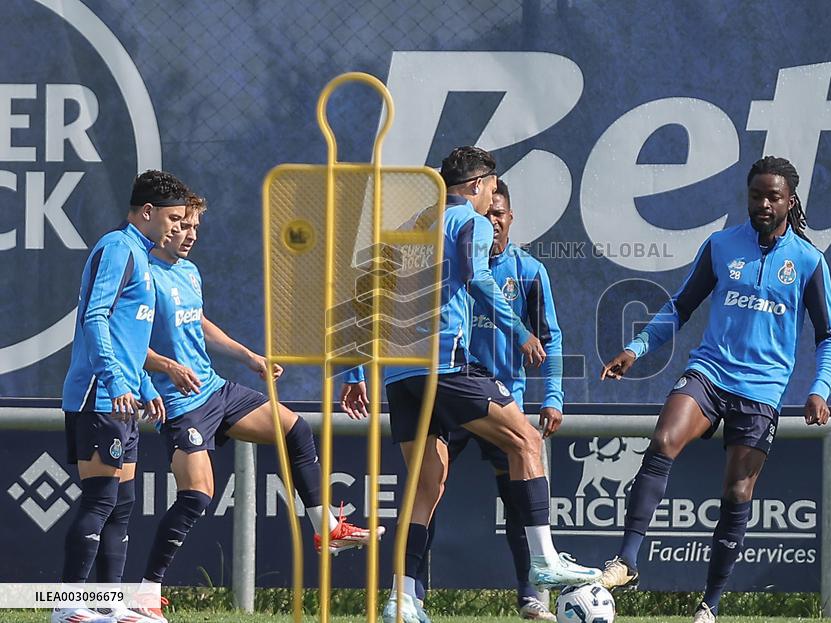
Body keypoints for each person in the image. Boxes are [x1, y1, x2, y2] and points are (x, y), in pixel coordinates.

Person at [340, 146, 599, 623]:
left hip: (400, 376)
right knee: (526, 439)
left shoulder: (413, 223)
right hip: (448, 367)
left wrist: (352, 370)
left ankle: (401, 598)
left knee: (426, 485)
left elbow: (366, 292)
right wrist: (518, 330)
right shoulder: (470, 221)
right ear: (479, 186)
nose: (490, 202)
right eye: (490, 190)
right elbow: (477, 276)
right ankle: (544, 560)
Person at [598, 156, 831, 623]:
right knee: (664, 440)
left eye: (773, 196)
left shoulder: (809, 262)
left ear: (791, 201)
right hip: (710, 372)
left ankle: (709, 603)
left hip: (762, 390)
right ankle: (626, 560)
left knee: (736, 491)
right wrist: (635, 348)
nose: (763, 204)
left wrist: (819, 389)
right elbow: (680, 306)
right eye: (756, 195)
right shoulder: (722, 245)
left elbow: (828, 335)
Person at [131, 195, 381, 623]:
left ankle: (327, 530)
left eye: (195, 228)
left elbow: (199, 322)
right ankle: (145, 592)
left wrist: (250, 358)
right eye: (182, 225)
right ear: (163, 224)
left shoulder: (189, 271)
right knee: (196, 497)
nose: (190, 235)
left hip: (216, 390)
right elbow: (129, 340)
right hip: (180, 403)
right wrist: (167, 368)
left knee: (295, 429)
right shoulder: (141, 271)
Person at [416, 179, 565, 620]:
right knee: (428, 489)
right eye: (486, 214)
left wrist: (553, 395)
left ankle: (532, 595)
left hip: (502, 399)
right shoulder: (452, 266)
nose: (491, 221)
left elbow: (550, 337)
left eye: (499, 214)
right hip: (450, 392)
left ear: (511, 218)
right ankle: (412, 594)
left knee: (518, 500)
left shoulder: (531, 272)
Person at [55, 170, 189, 623]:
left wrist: (146, 385)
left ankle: (108, 606)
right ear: (147, 213)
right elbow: (95, 318)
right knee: (99, 499)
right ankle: (66, 608)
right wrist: (115, 382)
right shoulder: (117, 248)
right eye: (172, 218)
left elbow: (128, 336)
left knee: (122, 503)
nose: (177, 226)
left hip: (126, 397)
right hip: (100, 395)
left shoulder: (143, 257)